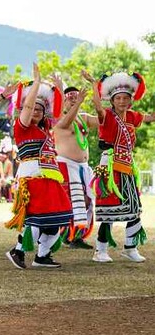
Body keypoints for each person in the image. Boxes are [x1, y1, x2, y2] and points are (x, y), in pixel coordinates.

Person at [4, 64, 76, 270]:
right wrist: (36, 83)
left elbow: (58, 113)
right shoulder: (22, 126)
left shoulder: (45, 129)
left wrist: (60, 89)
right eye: (32, 108)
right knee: (38, 216)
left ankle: (42, 256)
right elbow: (26, 109)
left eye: (40, 109)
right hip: (33, 176)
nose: (35, 111)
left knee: (58, 216)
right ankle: (18, 250)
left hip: (50, 177)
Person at [85, 70, 155, 263]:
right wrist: (94, 84)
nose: (122, 101)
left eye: (125, 98)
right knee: (110, 210)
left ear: (131, 100)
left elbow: (151, 117)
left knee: (134, 207)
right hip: (110, 167)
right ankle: (100, 250)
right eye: (118, 98)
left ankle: (130, 248)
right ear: (112, 100)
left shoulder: (133, 116)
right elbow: (97, 106)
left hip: (128, 167)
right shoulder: (106, 115)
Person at [52, 76, 99, 249]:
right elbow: (66, 122)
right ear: (63, 101)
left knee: (87, 201)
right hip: (66, 165)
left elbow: (104, 119)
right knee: (72, 202)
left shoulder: (83, 118)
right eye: (69, 97)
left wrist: (95, 86)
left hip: (83, 167)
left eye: (76, 96)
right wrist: (76, 102)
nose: (73, 98)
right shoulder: (57, 118)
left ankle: (77, 236)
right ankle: (65, 235)